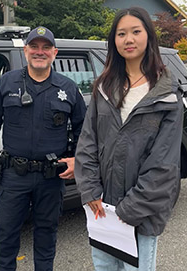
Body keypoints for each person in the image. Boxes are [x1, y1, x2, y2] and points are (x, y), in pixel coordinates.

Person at [74, 7, 183, 271]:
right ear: (114, 40)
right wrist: (90, 191)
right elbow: (87, 143)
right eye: (121, 33)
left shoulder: (167, 94)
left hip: (142, 213)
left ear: (149, 36)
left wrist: (129, 210)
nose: (128, 39)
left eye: (136, 31)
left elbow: (164, 164)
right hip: (103, 210)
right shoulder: (104, 86)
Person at [0, 26, 86, 271]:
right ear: (26, 51)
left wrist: (76, 158)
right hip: (14, 175)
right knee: (6, 235)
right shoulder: (7, 82)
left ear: (54, 52)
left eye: (46, 47)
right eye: (34, 47)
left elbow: (84, 129)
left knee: (47, 235)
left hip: (51, 176)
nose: (40, 52)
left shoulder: (67, 88)